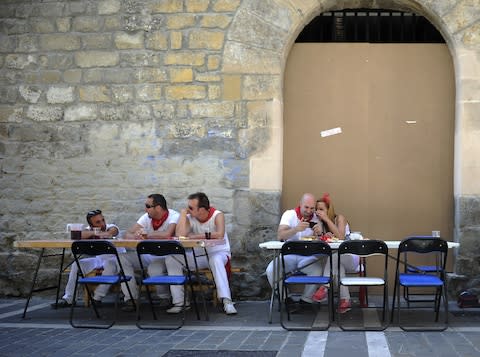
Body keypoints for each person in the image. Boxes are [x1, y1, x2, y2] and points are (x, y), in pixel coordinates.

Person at [165, 192, 237, 315]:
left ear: (202, 210)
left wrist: (194, 236)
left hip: (218, 253)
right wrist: (183, 215)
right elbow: (180, 236)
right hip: (198, 256)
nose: (188, 209)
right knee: (171, 258)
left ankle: (227, 301)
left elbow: (219, 234)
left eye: (191, 207)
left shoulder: (217, 215)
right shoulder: (190, 217)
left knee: (215, 260)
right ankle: (180, 302)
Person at [119, 193, 179, 312]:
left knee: (154, 268)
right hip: (148, 254)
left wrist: (147, 235)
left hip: (167, 255)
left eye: (147, 206)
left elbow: (168, 234)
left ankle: (165, 298)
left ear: (158, 207)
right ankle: (131, 298)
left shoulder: (173, 216)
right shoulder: (146, 217)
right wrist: (136, 236)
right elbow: (127, 234)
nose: (145, 209)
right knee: (123, 258)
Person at [265, 193, 324, 304]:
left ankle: (306, 300)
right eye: (306, 207)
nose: (309, 211)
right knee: (271, 270)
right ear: (300, 204)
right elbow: (280, 235)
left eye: (312, 208)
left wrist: (320, 233)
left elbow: (323, 240)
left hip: (308, 257)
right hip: (289, 256)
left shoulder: (317, 218)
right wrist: (296, 229)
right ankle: (285, 298)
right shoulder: (289, 214)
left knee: (317, 269)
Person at [53, 209, 119, 308]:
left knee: (110, 265)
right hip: (99, 259)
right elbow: (79, 235)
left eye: (103, 220)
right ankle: (69, 299)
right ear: (91, 225)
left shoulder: (111, 227)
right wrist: (94, 232)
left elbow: (111, 232)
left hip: (116, 258)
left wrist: (99, 233)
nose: (102, 224)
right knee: (77, 264)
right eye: (98, 222)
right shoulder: (89, 230)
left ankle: (97, 298)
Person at [312, 193, 360, 313]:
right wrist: (319, 235)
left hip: (351, 257)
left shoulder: (339, 218)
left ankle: (325, 286)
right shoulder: (321, 224)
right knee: (338, 266)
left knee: (333, 258)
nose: (318, 212)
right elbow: (322, 245)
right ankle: (345, 300)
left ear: (329, 210)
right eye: (317, 209)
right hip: (337, 260)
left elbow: (341, 237)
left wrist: (327, 220)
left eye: (321, 209)